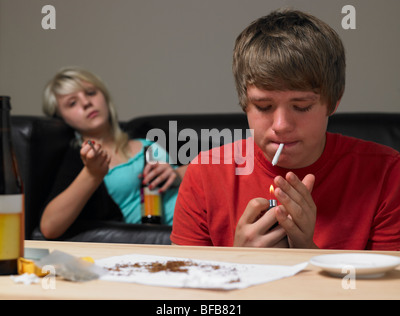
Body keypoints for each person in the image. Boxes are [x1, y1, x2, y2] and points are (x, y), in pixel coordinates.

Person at [171, 9, 400, 250]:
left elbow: (388, 287)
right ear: (244, 103)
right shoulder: (205, 174)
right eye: (264, 106)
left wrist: (304, 252)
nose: (281, 126)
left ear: (333, 102)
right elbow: (181, 285)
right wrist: (237, 260)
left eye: (301, 107)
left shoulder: (387, 174)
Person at [40, 67, 186, 239]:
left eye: (91, 93)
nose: (86, 103)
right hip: (167, 237)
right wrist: (92, 175)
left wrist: (177, 173)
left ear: (104, 96)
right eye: (72, 103)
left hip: (208, 211)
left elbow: (214, 163)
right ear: (61, 118)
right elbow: (49, 228)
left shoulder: (145, 132)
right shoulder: (78, 160)